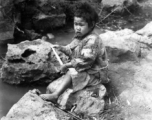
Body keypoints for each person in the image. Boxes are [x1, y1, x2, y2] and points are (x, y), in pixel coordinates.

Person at [40, 2, 109, 103]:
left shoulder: (92, 40)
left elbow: (85, 60)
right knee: (69, 69)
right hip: (87, 67)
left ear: (92, 24)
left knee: (71, 72)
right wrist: (61, 48)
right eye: (75, 24)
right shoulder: (80, 35)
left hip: (95, 73)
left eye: (81, 25)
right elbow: (71, 49)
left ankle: (55, 95)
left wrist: (67, 65)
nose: (77, 28)